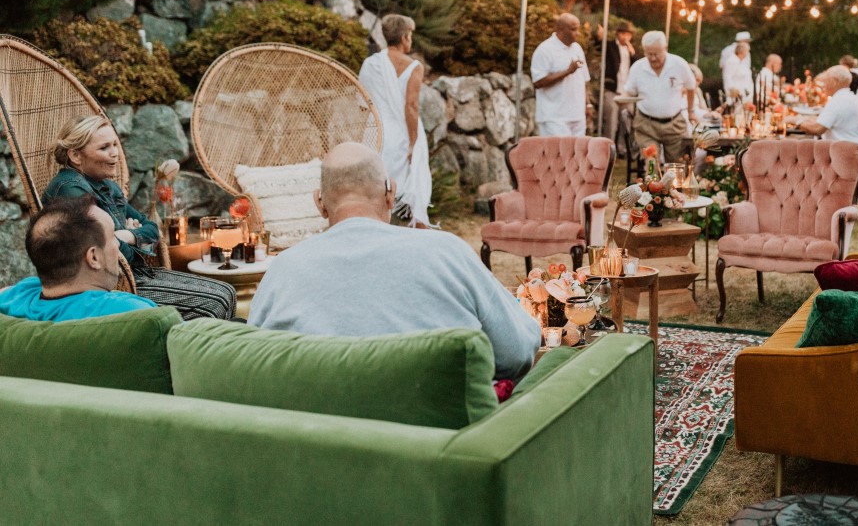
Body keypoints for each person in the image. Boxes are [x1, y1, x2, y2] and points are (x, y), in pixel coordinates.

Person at [249, 143, 541, 380]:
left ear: (319, 203)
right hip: (441, 433)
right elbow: (517, 352)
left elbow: (253, 366)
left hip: (317, 432)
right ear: (390, 194)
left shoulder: (283, 270)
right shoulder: (446, 252)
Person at [42, 116, 236, 320]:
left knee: (227, 291)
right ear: (75, 155)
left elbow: (152, 230)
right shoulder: (70, 190)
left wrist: (127, 235)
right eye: (104, 147)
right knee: (216, 302)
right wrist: (128, 239)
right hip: (113, 288)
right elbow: (109, 253)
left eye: (115, 144)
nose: (115, 153)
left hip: (137, 274)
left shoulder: (106, 186)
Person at [0, 196, 156, 321]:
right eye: (112, 237)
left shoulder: (16, 297)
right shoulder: (134, 312)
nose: (117, 245)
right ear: (93, 257)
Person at [358, 14, 432, 228]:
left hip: (375, 135)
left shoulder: (370, 64)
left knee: (376, 191)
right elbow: (411, 106)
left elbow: (362, 104)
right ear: (404, 37)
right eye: (410, 35)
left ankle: (376, 230)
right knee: (414, 190)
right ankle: (419, 236)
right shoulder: (413, 66)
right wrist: (413, 142)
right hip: (401, 136)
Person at [623, 31, 697, 163]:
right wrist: (622, 99)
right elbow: (629, 91)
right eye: (649, 54)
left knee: (676, 166)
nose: (652, 58)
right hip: (646, 125)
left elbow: (691, 86)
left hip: (674, 124)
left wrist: (691, 111)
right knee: (652, 165)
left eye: (656, 54)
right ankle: (652, 176)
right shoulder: (638, 67)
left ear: (665, 49)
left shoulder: (679, 64)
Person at [530, 13, 590, 137]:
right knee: (558, 150)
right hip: (554, 118)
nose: (578, 33)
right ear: (561, 29)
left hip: (577, 116)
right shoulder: (545, 50)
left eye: (578, 29)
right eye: (573, 29)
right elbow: (538, 82)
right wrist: (567, 72)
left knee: (578, 150)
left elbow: (584, 79)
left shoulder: (577, 48)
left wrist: (588, 105)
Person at [786, 66, 858, 149]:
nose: (824, 86)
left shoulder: (839, 101)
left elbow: (817, 129)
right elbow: (822, 121)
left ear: (834, 81)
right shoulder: (845, 97)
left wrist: (795, 120)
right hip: (849, 149)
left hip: (846, 153)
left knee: (791, 149)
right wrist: (803, 119)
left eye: (825, 81)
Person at [600, 21, 638, 150]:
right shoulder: (610, 46)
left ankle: (622, 148)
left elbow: (637, 65)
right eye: (623, 33)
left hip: (626, 91)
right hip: (612, 89)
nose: (625, 37)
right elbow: (600, 46)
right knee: (611, 122)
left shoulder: (632, 50)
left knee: (627, 121)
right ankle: (608, 148)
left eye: (628, 34)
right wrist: (600, 36)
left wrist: (632, 53)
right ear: (618, 34)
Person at [720, 33, 753, 104]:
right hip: (736, 93)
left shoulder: (742, 60)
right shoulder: (731, 60)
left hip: (745, 92)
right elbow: (727, 77)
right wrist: (732, 90)